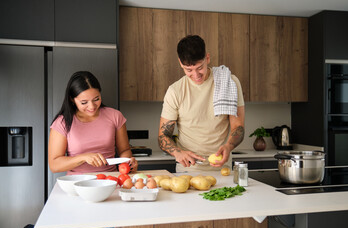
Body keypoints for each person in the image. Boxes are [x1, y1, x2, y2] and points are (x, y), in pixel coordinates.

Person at [158, 35, 245, 172]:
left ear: (207, 58)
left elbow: (238, 127)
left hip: (223, 169)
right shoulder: (175, 91)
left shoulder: (230, 82)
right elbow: (163, 136)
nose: (196, 75)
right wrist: (177, 153)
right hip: (188, 170)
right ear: (180, 63)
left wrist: (228, 146)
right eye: (189, 70)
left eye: (200, 68)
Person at [48, 71, 138, 175]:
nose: (92, 106)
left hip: (110, 180)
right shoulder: (62, 123)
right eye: (84, 102)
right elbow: (54, 165)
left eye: (96, 99)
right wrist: (83, 157)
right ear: (72, 99)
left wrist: (127, 163)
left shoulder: (115, 116)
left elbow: (125, 150)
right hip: (77, 183)